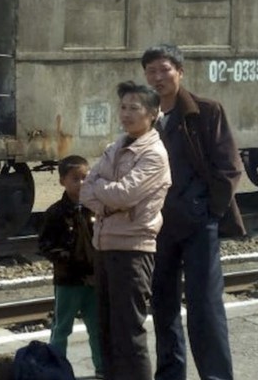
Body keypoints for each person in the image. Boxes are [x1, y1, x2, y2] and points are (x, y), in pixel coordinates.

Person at [141, 44, 245, 380]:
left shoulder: (206, 111)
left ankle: (216, 376)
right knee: (163, 304)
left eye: (164, 69)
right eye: (151, 71)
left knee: (205, 307)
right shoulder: (146, 117)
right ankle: (170, 374)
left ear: (180, 71)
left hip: (199, 224)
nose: (158, 77)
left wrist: (207, 210)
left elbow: (229, 167)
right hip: (159, 225)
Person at [79, 81, 171, 380]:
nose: (126, 113)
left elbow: (124, 194)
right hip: (105, 245)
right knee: (106, 328)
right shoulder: (115, 147)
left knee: (129, 332)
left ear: (153, 113)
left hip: (133, 249)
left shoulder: (154, 154)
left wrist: (104, 194)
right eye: (123, 107)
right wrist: (108, 198)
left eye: (135, 108)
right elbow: (85, 191)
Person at [38, 155, 104, 377]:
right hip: (68, 281)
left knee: (97, 327)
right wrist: (67, 259)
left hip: (94, 280)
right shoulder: (56, 212)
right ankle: (57, 371)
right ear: (62, 181)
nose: (82, 183)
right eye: (75, 178)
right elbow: (46, 244)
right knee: (61, 327)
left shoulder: (96, 208)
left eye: (86, 177)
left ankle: (102, 368)